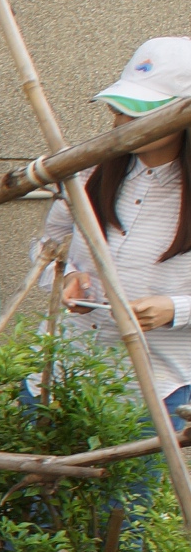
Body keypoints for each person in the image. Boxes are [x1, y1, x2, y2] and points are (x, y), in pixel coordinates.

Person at [46, 37, 191, 403]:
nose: (123, 123)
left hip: (157, 389)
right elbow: (46, 246)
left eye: (139, 113)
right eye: (119, 109)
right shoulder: (87, 173)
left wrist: (175, 308)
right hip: (64, 373)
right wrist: (65, 277)